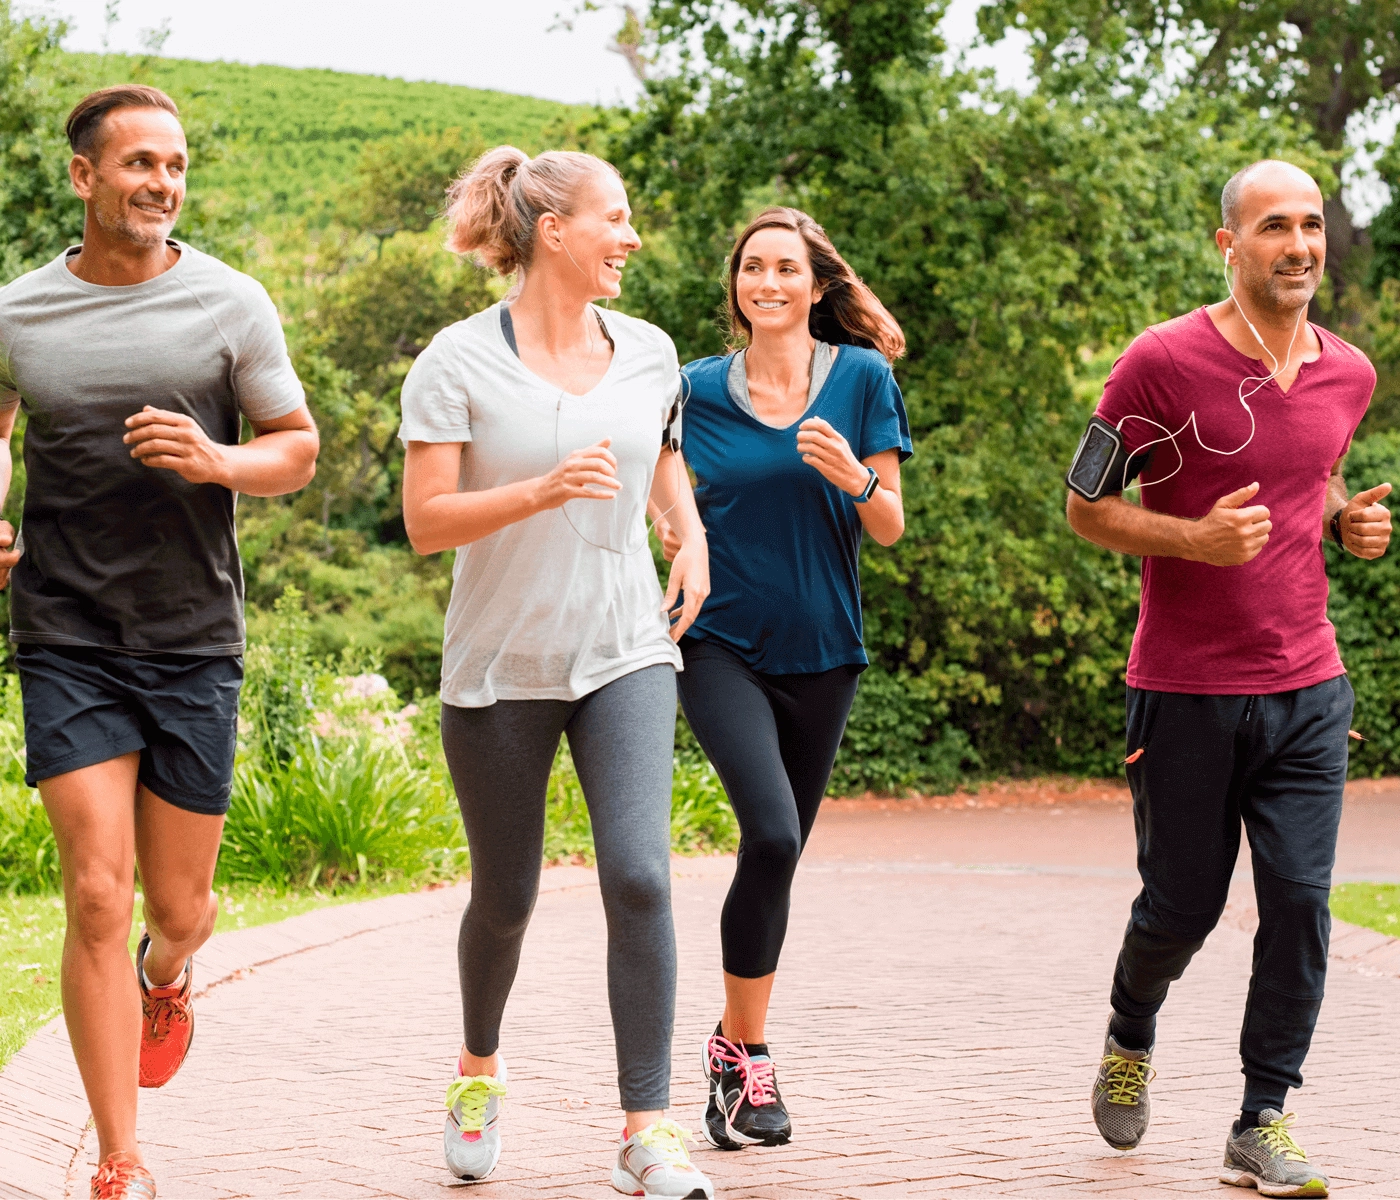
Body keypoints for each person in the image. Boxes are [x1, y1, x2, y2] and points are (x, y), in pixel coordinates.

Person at [0, 86, 318, 1199]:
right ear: (83, 176)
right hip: (65, 628)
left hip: (191, 635)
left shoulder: (230, 304)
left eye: (175, 164)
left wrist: (217, 461)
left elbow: (297, 446)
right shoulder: (18, 313)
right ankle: (120, 1163)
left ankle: (166, 971)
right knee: (94, 888)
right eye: (139, 162)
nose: (162, 182)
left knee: (178, 907)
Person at [1066, 160, 1391, 1198]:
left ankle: (1260, 1116)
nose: (1296, 245)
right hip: (1184, 688)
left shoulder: (1348, 371)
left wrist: (1346, 522)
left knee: (1298, 906)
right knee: (1180, 908)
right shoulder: (1156, 362)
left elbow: (1317, 471)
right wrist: (1190, 540)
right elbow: (1083, 505)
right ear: (1226, 244)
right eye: (1271, 227)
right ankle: (1129, 1028)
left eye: (1308, 227)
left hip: (1306, 684)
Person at [399, 146, 715, 1199]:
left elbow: (663, 461)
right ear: (553, 233)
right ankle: (477, 1070)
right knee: (505, 897)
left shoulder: (650, 350)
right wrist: (536, 491)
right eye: (613, 220)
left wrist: (690, 537)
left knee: (639, 874)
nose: (629, 239)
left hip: (625, 648)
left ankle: (647, 1128)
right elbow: (424, 521)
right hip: (499, 667)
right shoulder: (455, 360)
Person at [652, 206, 911, 1151]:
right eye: (752, 268)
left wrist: (852, 474)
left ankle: (730, 1045)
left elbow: (890, 525)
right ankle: (750, 1058)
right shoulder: (692, 388)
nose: (767, 282)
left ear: (816, 284)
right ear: (736, 286)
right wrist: (681, 539)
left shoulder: (864, 380)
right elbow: (664, 494)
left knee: (781, 850)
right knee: (767, 828)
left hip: (824, 648)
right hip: (714, 640)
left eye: (786, 269)